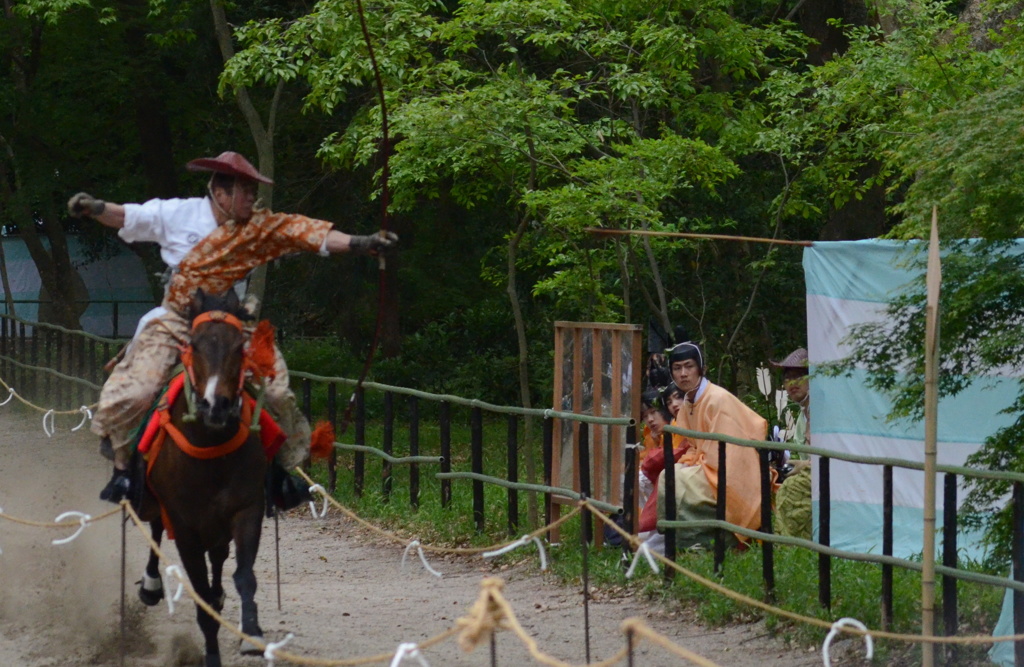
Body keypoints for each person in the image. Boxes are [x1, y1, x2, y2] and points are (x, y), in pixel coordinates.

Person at [68, 151, 398, 503]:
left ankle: (279, 473)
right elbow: (128, 216)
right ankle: (123, 468)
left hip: (232, 323)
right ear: (220, 194)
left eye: (253, 191)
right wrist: (96, 207)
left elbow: (307, 232)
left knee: (275, 393)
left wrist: (361, 243)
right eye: (245, 191)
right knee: (137, 390)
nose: (252, 198)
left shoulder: (259, 227)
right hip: (177, 321)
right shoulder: (177, 213)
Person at [654, 340, 770, 550]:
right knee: (670, 476)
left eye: (689, 366)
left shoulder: (716, 399)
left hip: (736, 470)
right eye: (677, 368)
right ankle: (682, 539)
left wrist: (693, 464)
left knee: (675, 479)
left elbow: (726, 452)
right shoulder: (690, 401)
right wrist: (690, 461)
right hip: (709, 463)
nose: (683, 374)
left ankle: (696, 541)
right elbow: (691, 445)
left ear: (701, 369)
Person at [771, 347, 813, 540]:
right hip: (810, 476)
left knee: (790, 489)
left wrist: (806, 465)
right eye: (787, 378)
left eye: (798, 377)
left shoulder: (823, 410)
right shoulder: (801, 416)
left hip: (832, 476)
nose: (791, 384)